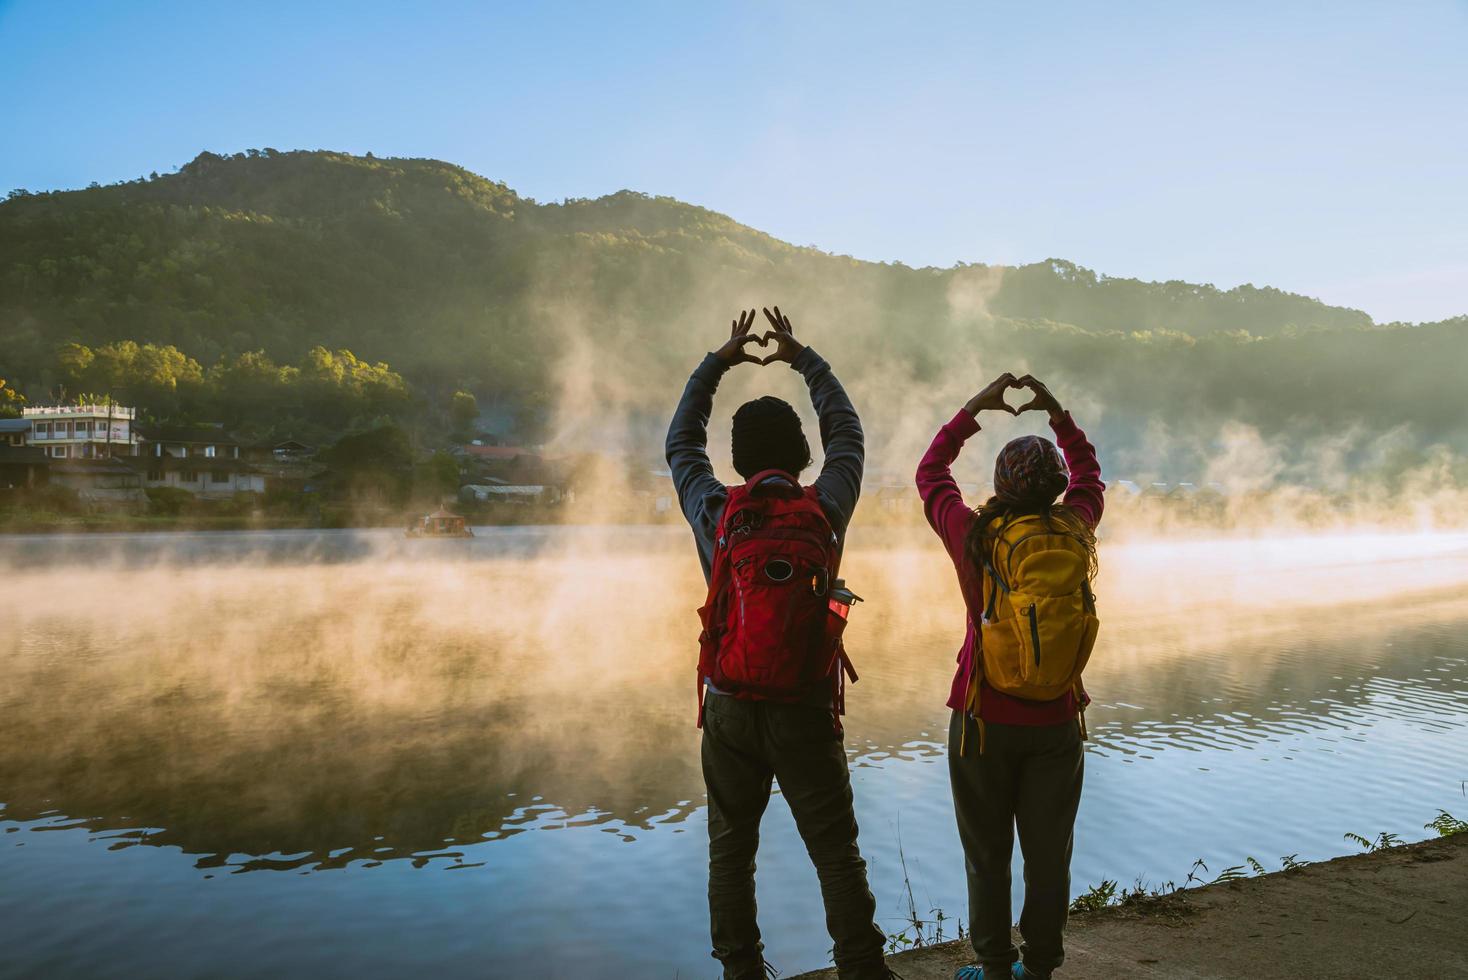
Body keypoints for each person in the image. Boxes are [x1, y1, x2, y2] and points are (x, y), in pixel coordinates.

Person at [666, 307, 891, 980]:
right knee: (834, 851)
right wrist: (805, 359)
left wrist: (721, 360)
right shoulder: (824, 508)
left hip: (730, 704)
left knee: (730, 850)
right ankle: (862, 968)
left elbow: (680, 444)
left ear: (737, 459)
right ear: (801, 454)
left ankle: (741, 971)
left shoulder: (716, 511)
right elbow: (848, 435)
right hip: (805, 702)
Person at [915, 373, 1104, 980]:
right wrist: (1057, 414)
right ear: (1054, 487)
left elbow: (931, 473)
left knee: (987, 853)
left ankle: (995, 969)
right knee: (1050, 856)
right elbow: (1091, 479)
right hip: (1057, 722)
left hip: (981, 723)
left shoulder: (974, 536)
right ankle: (1041, 967)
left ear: (1000, 484)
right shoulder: (1075, 528)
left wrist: (973, 409)